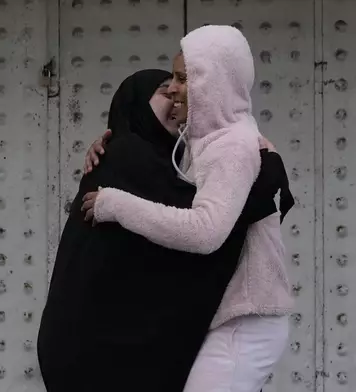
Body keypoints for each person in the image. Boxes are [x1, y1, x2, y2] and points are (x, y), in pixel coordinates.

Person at [37, 69, 288, 392]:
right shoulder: (126, 155)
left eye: (178, 94)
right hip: (92, 348)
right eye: (163, 93)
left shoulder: (163, 163)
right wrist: (269, 169)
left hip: (96, 345)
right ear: (138, 104)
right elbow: (207, 220)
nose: (174, 99)